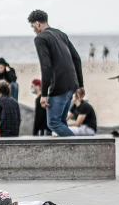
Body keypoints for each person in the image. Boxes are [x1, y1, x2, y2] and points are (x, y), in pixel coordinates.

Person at [28, 9, 84, 137]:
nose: (34, 30)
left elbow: (45, 66)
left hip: (58, 86)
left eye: (33, 27)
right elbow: (77, 59)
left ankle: (79, 147)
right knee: (61, 123)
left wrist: (43, 94)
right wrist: (80, 84)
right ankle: (70, 154)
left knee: (53, 123)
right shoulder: (61, 34)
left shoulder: (40, 38)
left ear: (37, 24)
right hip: (71, 85)